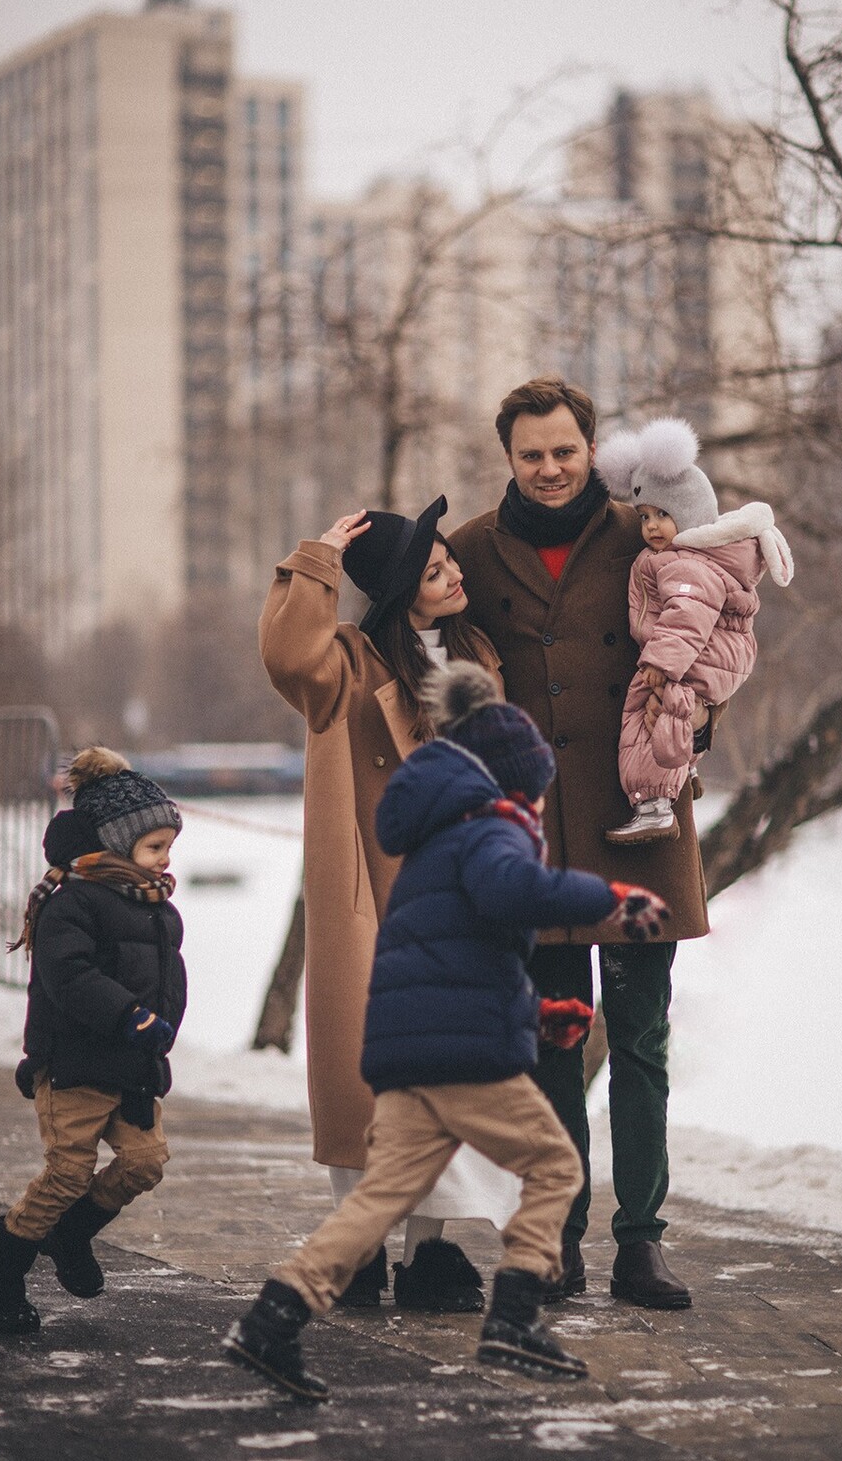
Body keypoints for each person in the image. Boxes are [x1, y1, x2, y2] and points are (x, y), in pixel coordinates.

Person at [222, 660, 671, 1401]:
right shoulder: (492, 832)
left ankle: (273, 1318)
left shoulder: (434, 842)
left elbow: (458, 962)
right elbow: (513, 891)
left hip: (407, 1053)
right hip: (459, 1059)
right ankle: (516, 1318)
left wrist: (536, 1015)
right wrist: (610, 898)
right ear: (511, 784)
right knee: (557, 1168)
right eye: (533, 793)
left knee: (376, 1200)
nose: (534, 812)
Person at [449, 375, 717, 1311]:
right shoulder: (473, 551)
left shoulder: (647, 528)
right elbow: (420, 647)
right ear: (510, 459)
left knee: (640, 1041)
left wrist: (692, 723)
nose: (552, 468)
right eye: (533, 454)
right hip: (541, 837)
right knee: (555, 1043)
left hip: (638, 815)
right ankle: (557, 1239)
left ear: (590, 447)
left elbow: (711, 620)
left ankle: (640, 1244)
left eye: (565, 450)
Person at [259, 496, 523, 1313]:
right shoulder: (352, 666)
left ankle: (432, 1254)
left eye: (450, 560)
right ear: (405, 588)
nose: (453, 573)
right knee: (369, 1082)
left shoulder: (476, 652)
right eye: (435, 568)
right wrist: (318, 561)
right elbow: (286, 652)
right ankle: (361, 1245)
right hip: (373, 897)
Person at [0, 748, 186, 1335]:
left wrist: (158, 1037)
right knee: (68, 1173)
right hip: (75, 1065)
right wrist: (130, 1017)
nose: (166, 859)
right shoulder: (73, 904)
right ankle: (2, 1271)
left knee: (144, 1163)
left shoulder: (158, 908)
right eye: (155, 847)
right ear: (115, 845)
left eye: (169, 846)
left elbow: (167, 981)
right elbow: (69, 978)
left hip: (133, 1067)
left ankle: (71, 1233)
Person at [598, 417, 794, 843]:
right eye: (644, 515)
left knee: (643, 714)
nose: (650, 526)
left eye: (663, 514)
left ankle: (653, 803)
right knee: (669, 716)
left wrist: (660, 662)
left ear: (687, 515)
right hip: (708, 658)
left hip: (697, 656)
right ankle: (680, 772)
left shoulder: (684, 561)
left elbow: (689, 614)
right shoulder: (678, 556)